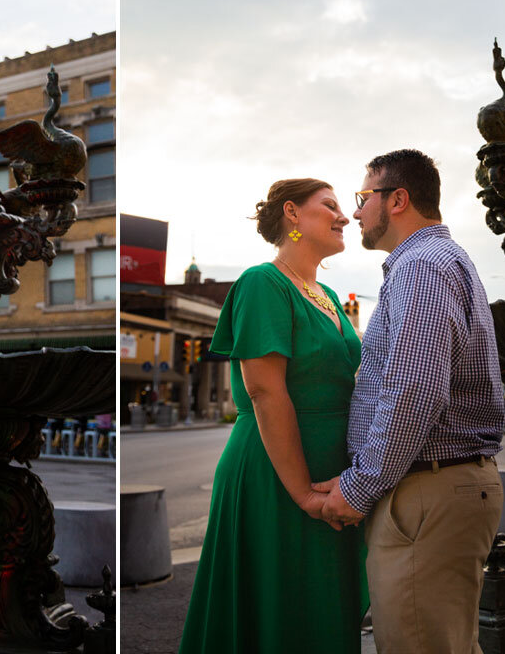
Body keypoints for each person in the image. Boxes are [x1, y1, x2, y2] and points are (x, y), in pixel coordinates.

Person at [318, 149, 505, 654]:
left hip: (429, 493)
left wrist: (357, 489)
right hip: (437, 488)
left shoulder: (421, 267)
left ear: (397, 199)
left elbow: (414, 392)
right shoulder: (435, 263)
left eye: (362, 197)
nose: (355, 212)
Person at [178, 178, 367, 654]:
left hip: (331, 476)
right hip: (278, 472)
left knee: (321, 611)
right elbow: (264, 390)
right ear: (293, 214)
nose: (344, 216)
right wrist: (303, 491)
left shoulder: (327, 294)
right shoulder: (263, 282)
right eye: (330, 206)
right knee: (280, 611)